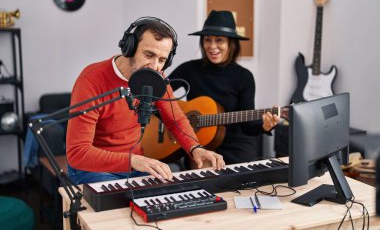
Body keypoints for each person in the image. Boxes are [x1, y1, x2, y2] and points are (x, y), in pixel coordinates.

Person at [66, 17, 225, 185]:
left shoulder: (155, 77)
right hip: (94, 169)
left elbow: (175, 119)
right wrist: (133, 160)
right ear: (130, 48)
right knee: (123, 208)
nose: (155, 66)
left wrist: (195, 148)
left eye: (162, 60)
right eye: (149, 55)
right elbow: (78, 153)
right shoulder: (91, 80)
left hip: (135, 165)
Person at [169, 10, 279, 165]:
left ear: (231, 43)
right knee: (203, 173)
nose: (212, 46)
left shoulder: (244, 77)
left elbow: (247, 127)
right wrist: (170, 120)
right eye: (207, 40)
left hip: (236, 149)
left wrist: (265, 126)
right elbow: (158, 94)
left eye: (219, 40)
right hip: (201, 148)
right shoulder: (189, 69)